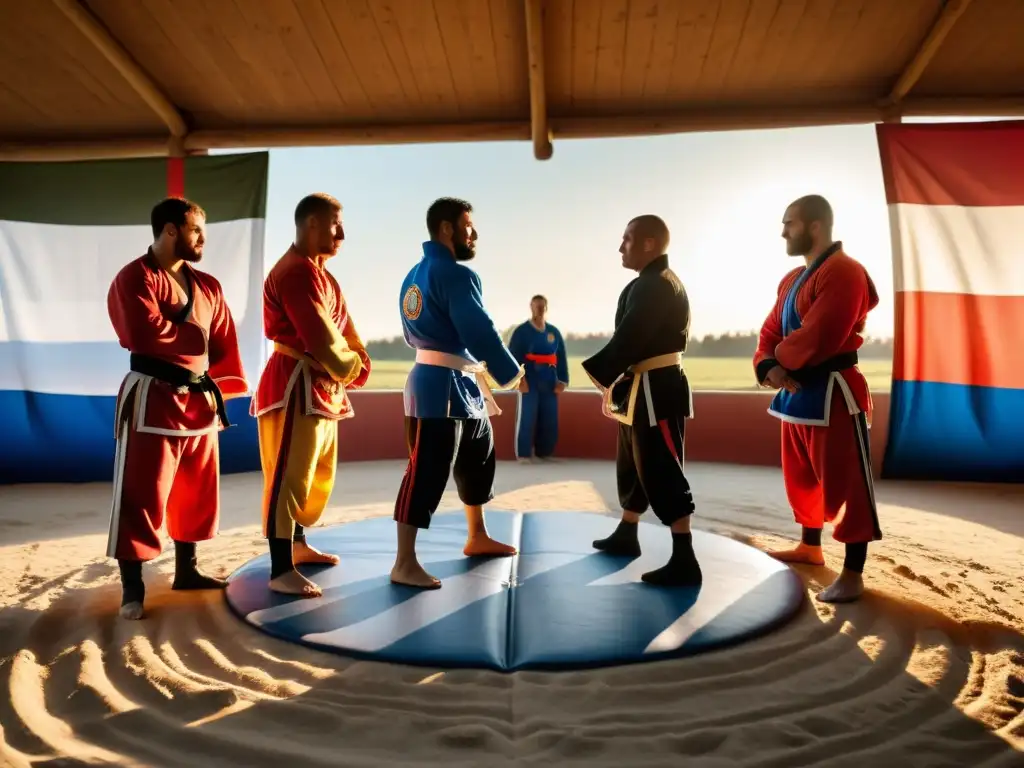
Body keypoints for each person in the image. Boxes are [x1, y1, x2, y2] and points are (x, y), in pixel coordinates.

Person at [105, 197, 249, 620]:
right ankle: (132, 587)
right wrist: (193, 338)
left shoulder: (209, 285)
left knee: (197, 491)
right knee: (141, 494)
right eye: (195, 231)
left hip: (198, 401)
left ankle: (187, 570)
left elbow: (221, 338)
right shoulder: (134, 278)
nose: (203, 239)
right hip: (152, 396)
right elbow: (142, 331)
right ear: (170, 230)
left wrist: (209, 364)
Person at [753, 194, 882, 604]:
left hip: (835, 393)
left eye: (789, 223)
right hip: (796, 395)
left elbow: (821, 335)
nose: (782, 231)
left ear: (814, 226)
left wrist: (780, 363)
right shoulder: (792, 278)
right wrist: (768, 366)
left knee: (848, 485)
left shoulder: (846, 272)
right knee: (802, 477)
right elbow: (770, 330)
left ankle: (853, 573)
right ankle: (810, 545)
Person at [391, 197, 525, 589]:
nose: (475, 233)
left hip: (452, 383)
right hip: (441, 388)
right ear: (447, 229)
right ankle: (404, 561)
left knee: (478, 458)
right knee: (426, 472)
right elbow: (479, 330)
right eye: (469, 225)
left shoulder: (412, 276)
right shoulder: (456, 276)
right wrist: (512, 375)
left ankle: (476, 535)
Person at [251, 193, 372, 598]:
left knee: (313, 474)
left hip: (322, 385)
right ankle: (280, 568)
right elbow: (320, 337)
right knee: (289, 475)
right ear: (311, 225)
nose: (342, 233)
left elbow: (346, 331)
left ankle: (298, 547)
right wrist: (352, 366)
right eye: (336, 223)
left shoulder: (322, 275)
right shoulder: (295, 273)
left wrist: (358, 361)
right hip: (294, 384)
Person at [582, 215, 702, 587]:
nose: (621, 247)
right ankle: (627, 531)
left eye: (627, 240)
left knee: (662, 467)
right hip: (641, 385)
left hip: (658, 388)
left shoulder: (657, 286)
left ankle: (685, 557)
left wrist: (600, 372)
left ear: (649, 244)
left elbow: (631, 338)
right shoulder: (648, 283)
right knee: (633, 465)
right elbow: (633, 340)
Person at [508, 295, 569, 462]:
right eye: (536, 306)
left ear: (546, 308)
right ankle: (524, 454)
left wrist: (562, 381)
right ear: (531, 307)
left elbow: (561, 357)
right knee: (527, 415)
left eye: (542, 306)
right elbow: (513, 356)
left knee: (550, 416)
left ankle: (545, 451)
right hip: (530, 378)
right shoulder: (521, 332)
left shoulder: (553, 332)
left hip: (549, 379)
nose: (540, 309)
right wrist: (519, 380)